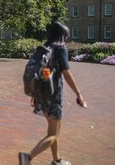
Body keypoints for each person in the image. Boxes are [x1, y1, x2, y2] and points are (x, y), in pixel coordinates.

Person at [19, 21, 87, 165]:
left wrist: (35, 96)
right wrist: (79, 94)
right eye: (66, 35)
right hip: (54, 95)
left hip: (43, 95)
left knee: (55, 131)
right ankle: (28, 157)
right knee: (53, 134)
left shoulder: (45, 47)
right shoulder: (60, 48)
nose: (67, 39)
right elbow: (66, 73)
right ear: (62, 35)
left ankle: (57, 161)